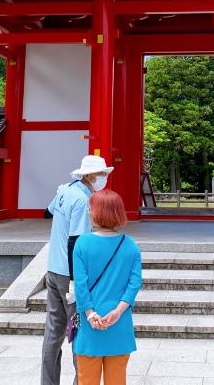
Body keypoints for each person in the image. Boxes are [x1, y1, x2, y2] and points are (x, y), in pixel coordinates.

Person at [41, 155, 113, 385]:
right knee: (79, 332)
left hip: (53, 268)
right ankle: (81, 381)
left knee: (53, 332)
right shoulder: (83, 201)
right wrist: (75, 280)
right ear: (89, 176)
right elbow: (76, 242)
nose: (104, 178)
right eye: (101, 174)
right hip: (68, 274)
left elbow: (47, 212)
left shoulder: (65, 190)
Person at [72, 189, 142, 385]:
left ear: (97, 212)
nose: (88, 212)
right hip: (119, 324)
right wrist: (118, 312)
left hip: (90, 325)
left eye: (90, 208)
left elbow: (80, 284)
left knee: (87, 381)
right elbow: (134, 284)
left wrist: (90, 314)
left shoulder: (82, 243)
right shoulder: (130, 245)